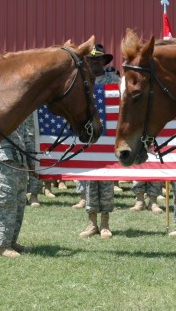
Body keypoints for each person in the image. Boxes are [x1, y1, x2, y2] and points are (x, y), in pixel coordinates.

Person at [79, 44, 116, 239]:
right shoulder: (84, 80)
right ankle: (91, 223)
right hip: (90, 134)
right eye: (90, 59)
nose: (94, 62)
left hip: (109, 137)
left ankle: (105, 224)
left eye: (97, 59)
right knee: (90, 180)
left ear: (103, 61)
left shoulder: (114, 80)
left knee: (107, 180)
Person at [0, 112, 38, 258]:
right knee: (5, 204)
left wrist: (31, 162)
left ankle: (11, 241)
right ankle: (2, 246)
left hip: (20, 163)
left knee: (19, 204)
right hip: (4, 164)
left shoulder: (20, 115)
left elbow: (26, 137)